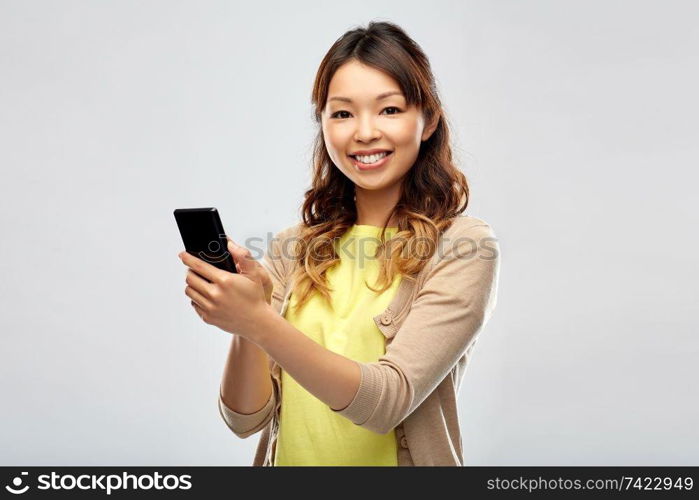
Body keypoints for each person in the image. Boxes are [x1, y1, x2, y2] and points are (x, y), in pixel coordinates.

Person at [178, 20, 500, 466]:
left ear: (428, 122)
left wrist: (257, 321)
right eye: (343, 113)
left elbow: (387, 401)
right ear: (323, 125)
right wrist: (246, 324)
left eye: (389, 110)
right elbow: (244, 419)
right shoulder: (294, 248)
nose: (364, 132)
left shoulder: (463, 246)